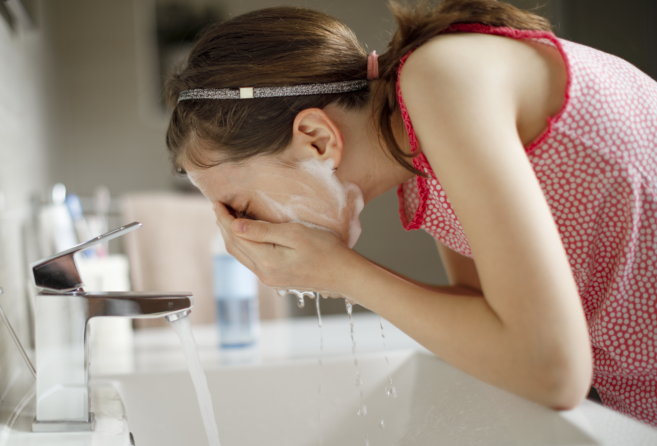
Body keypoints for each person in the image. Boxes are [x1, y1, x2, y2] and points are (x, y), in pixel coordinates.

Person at [164, 0, 657, 426]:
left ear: (316, 139)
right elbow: (490, 317)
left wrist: (341, 272)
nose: (236, 231)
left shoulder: (442, 81)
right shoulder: (418, 162)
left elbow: (550, 370)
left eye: (237, 205)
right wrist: (341, 274)